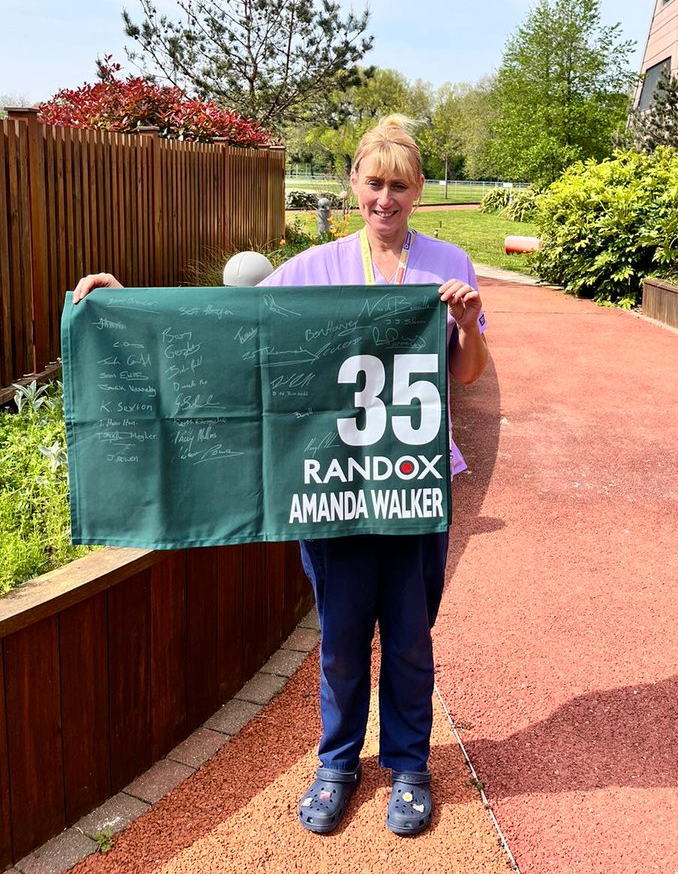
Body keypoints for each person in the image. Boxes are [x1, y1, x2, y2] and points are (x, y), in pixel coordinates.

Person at [72, 115, 489, 838]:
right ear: (353, 184)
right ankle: (337, 764)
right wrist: (120, 300)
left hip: (415, 479)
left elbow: (471, 376)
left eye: (399, 185)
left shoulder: (447, 263)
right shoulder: (316, 267)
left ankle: (411, 767)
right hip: (329, 485)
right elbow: (231, 325)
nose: (385, 199)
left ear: (418, 190)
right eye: (374, 183)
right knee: (341, 633)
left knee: (412, 634)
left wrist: (471, 322)